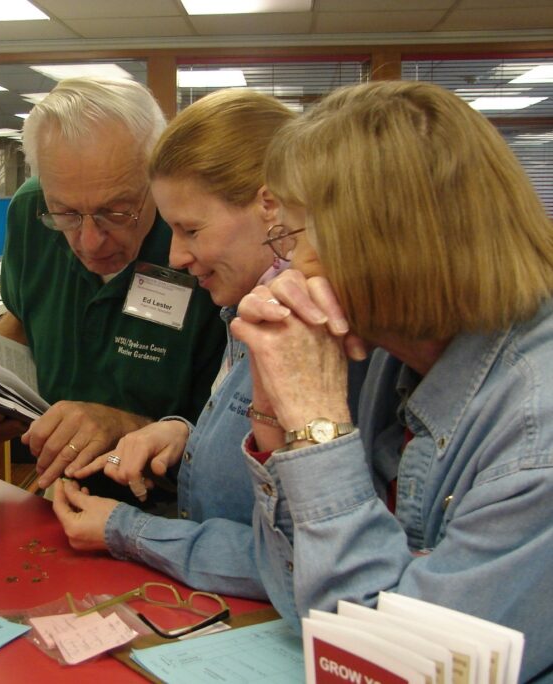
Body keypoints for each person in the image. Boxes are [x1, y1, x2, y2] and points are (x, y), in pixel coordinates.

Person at [231, 80, 553, 681]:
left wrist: (319, 428)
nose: (285, 268)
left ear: (373, 248)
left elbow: (382, 667)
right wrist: (274, 404)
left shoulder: (537, 436)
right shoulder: (387, 350)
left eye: (291, 238)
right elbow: (295, 595)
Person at [51, 89, 302, 599]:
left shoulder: (311, 335)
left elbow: (302, 560)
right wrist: (183, 434)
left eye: (190, 229)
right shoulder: (244, 311)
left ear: (270, 207)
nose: (176, 255)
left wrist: (129, 531)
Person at [0, 78, 226, 494]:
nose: (89, 241)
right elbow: (23, 314)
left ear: (155, 178)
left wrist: (123, 426)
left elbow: (227, 438)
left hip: (172, 499)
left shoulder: (202, 241)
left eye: (115, 212)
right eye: (64, 213)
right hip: (63, 488)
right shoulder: (29, 211)